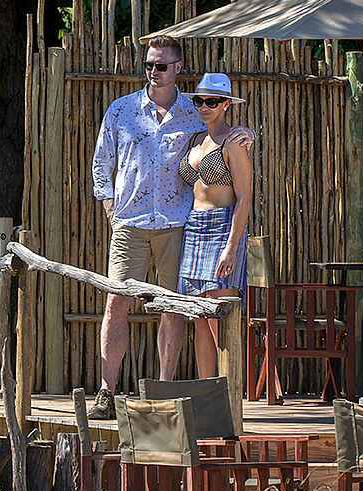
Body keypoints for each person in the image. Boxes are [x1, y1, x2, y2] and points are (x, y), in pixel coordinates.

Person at [87, 37, 251, 419]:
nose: (153, 71)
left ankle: (164, 389)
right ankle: (105, 393)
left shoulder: (194, 114)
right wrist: (109, 204)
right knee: (116, 304)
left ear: (178, 68)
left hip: (178, 224)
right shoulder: (121, 110)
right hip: (129, 224)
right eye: (148, 64)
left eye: (161, 65)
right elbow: (101, 164)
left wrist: (249, 135)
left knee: (174, 309)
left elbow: (225, 134)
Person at [175, 73, 255, 379]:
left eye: (212, 101)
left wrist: (232, 247)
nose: (204, 107)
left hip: (222, 226)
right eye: (200, 101)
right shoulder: (196, 139)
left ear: (225, 105)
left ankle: (230, 393)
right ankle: (208, 393)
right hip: (194, 227)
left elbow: (245, 197)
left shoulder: (234, 143)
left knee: (220, 316)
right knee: (198, 317)